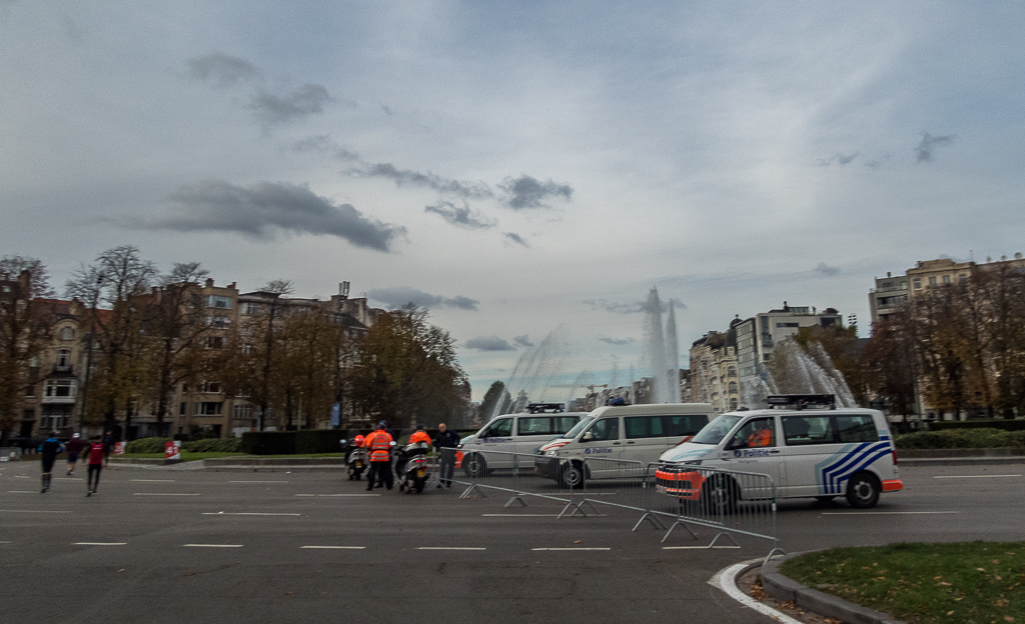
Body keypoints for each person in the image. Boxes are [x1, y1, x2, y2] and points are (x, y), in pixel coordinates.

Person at [363, 422, 394, 491]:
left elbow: (368, 444)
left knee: (373, 470)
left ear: (378, 428)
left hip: (375, 455)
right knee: (387, 470)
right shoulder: (388, 435)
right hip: (385, 455)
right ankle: (389, 485)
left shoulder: (373, 435)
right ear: (384, 429)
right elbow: (391, 445)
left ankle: (370, 486)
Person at [433, 422, 459, 488]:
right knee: (442, 468)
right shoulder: (438, 435)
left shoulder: (450, 433)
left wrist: (456, 445)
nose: (442, 429)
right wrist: (440, 446)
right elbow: (435, 443)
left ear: (445, 427)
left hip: (451, 452)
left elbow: (458, 437)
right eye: (440, 427)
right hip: (443, 453)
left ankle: (448, 482)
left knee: (450, 468)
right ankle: (441, 481)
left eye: (443, 427)